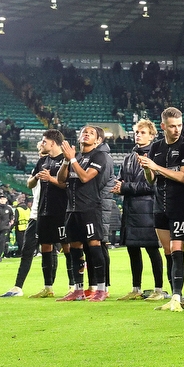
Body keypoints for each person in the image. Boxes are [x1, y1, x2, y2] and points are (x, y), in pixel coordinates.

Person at [138, 107, 184, 311]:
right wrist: (147, 168)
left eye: (180, 125)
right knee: (167, 252)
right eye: (172, 126)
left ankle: (178, 296)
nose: (177, 130)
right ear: (163, 126)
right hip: (159, 205)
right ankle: (173, 296)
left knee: (177, 249)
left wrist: (156, 167)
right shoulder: (156, 147)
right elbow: (151, 180)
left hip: (179, 206)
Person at [55, 126, 113, 302]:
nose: (86, 134)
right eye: (83, 132)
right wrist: (66, 161)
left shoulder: (99, 156)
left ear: (97, 140)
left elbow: (86, 177)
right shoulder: (76, 157)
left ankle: (101, 288)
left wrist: (72, 160)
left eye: (91, 133)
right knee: (74, 249)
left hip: (89, 208)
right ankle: (78, 289)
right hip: (71, 210)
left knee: (95, 247)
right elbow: (60, 179)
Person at [113, 120, 164, 301]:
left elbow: (152, 186)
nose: (138, 135)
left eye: (142, 132)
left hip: (149, 210)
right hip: (131, 210)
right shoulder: (129, 157)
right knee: (132, 250)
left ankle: (159, 289)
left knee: (152, 250)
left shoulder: (156, 156)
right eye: (136, 132)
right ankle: (136, 289)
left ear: (152, 135)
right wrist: (118, 187)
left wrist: (125, 187)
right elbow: (121, 180)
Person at [20, 130, 69, 298]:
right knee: (46, 247)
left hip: (62, 211)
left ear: (53, 143)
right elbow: (29, 183)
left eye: (44, 141)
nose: (42, 144)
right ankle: (48, 287)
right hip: (43, 211)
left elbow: (68, 185)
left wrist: (51, 179)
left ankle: (73, 286)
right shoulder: (43, 160)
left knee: (67, 246)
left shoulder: (66, 160)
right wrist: (37, 179)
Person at [0, 194, 15, 262]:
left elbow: (12, 215)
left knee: (2, 241)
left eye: (4, 199)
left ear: (6, 200)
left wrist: (12, 220)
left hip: (5, 227)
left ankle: (0, 256)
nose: (2, 200)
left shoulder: (9, 208)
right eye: (1, 199)